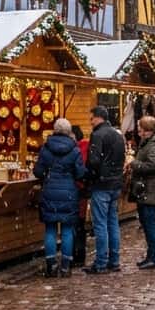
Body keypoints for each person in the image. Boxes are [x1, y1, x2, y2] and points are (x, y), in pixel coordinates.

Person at [35, 118, 86, 277]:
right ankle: (65, 265)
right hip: (69, 192)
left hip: (50, 190)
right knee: (67, 229)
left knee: (50, 228)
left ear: (55, 130)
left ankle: (51, 264)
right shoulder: (74, 149)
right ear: (69, 131)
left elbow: (38, 171)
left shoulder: (46, 148)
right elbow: (80, 173)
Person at [83, 106, 126, 275]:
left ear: (98, 118)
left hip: (101, 184)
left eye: (91, 118)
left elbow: (93, 161)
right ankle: (114, 260)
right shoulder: (117, 135)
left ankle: (101, 262)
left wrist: (89, 174)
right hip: (115, 183)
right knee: (112, 223)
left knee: (100, 224)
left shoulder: (97, 135)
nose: (90, 121)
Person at [130, 115, 155, 269]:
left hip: (151, 188)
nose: (138, 132)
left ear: (147, 130)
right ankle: (151, 256)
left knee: (150, 225)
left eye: (140, 129)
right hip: (147, 188)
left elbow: (153, 165)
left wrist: (134, 163)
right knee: (147, 225)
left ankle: (154, 257)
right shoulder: (150, 142)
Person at [71, 124, 90, 267]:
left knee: (75, 224)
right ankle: (79, 255)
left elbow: (79, 170)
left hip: (76, 190)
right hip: (82, 190)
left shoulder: (78, 149)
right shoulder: (85, 146)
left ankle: (75, 255)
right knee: (79, 224)